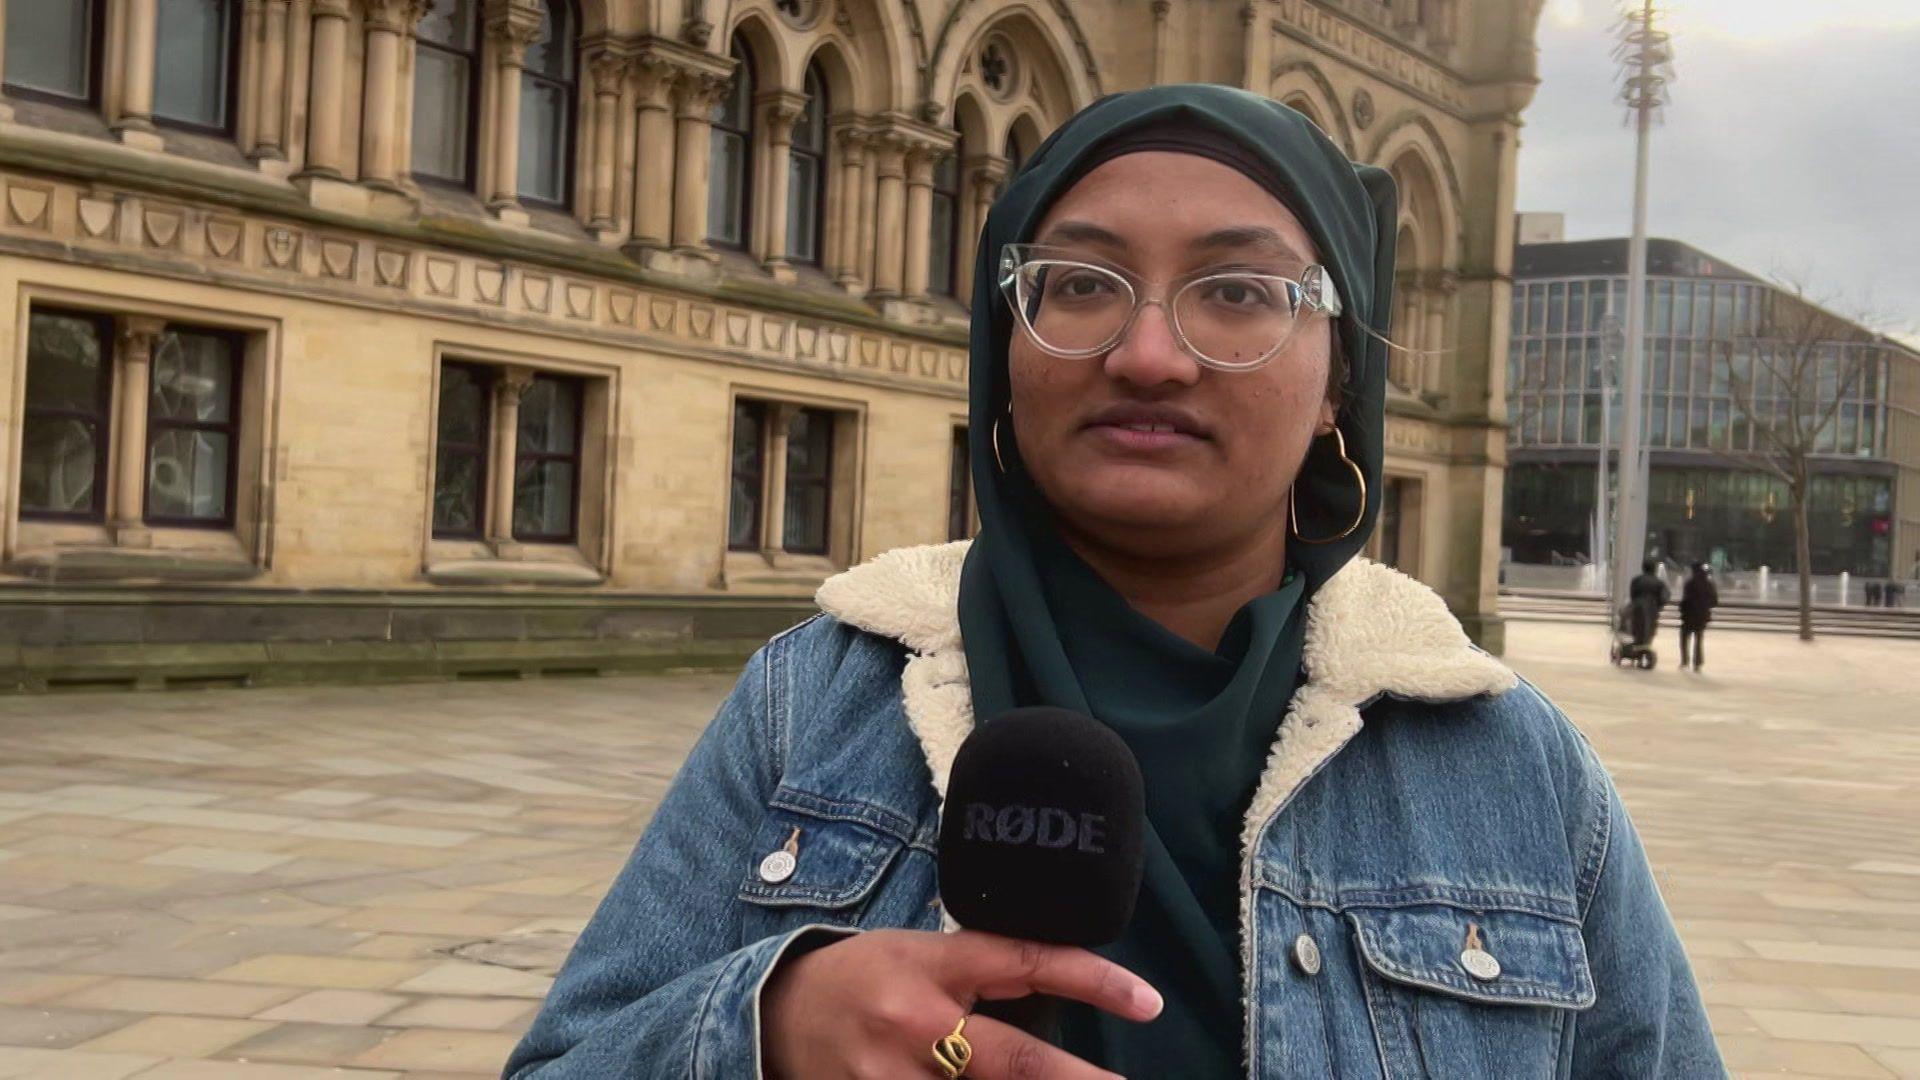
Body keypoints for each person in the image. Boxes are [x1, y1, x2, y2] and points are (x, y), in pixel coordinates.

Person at [502, 85, 1722, 1079]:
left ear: (1340, 374)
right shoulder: (812, 701)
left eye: (1239, 293)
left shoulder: (1511, 766)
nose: (1147, 354)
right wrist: (764, 1033)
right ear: (1004, 343)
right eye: (1081, 285)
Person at [1679, 562, 1719, 673]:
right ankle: (1697, 663)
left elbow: (1685, 600)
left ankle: (1685, 661)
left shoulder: (1690, 583)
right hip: (1702, 616)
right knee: (1699, 639)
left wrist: (1682, 610)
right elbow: (1714, 601)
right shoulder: (1709, 584)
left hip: (1689, 615)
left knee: (1684, 638)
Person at [1629, 557, 1671, 651]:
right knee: (1650, 628)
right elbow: (1665, 596)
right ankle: (1646, 647)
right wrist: (1659, 606)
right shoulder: (1659, 582)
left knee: (1638, 627)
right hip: (1652, 608)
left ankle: (1637, 646)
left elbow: (1632, 595)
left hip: (1638, 607)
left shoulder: (1636, 580)